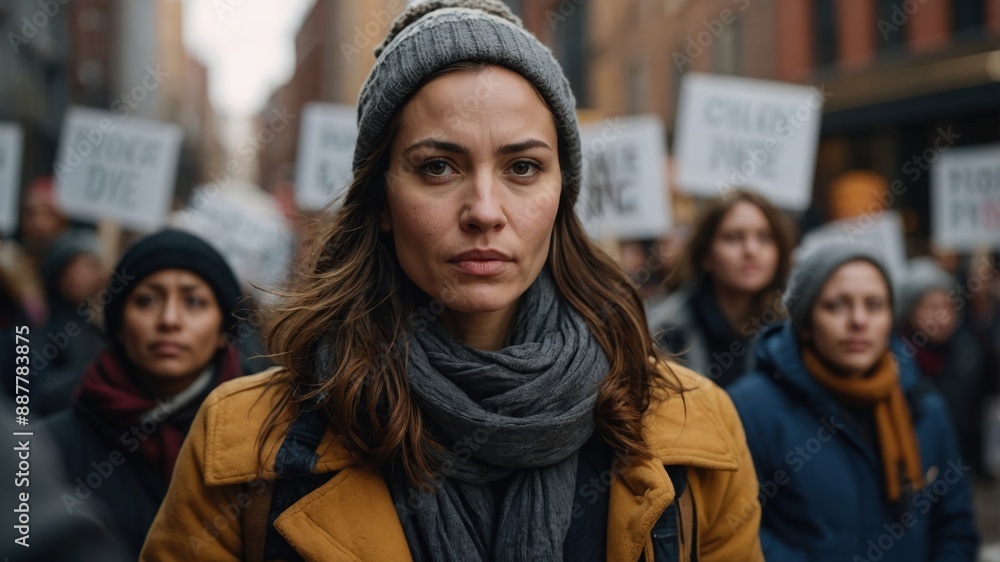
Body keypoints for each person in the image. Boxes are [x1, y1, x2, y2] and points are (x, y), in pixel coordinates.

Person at [141, 2, 764, 560]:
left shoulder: (693, 428)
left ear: (560, 195)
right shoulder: (243, 444)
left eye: (523, 167)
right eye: (438, 167)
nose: (485, 210)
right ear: (380, 198)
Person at [728, 241, 979, 561]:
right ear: (805, 323)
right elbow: (738, 529)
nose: (859, 320)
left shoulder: (925, 409)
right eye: (836, 305)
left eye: (874, 305)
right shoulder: (750, 408)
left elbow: (954, 527)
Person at [45, 229, 246, 557]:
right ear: (120, 325)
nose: (169, 319)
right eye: (147, 300)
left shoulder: (257, 440)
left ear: (224, 330)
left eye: (193, 301)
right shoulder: (47, 446)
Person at [647, 189, 795, 388]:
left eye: (765, 237)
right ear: (706, 254)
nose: (751, 250)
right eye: (733, 237)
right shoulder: (665, 329)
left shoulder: (794, 328)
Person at [896, 257, 992, 476]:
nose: (943, 316)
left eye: (949, 306)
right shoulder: (893, 362)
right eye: (931, 307)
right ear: (909, 311)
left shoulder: (971, 351)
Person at [36, 230, 108, 415]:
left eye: (94, 266)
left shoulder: (97, 323)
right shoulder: (40, 325)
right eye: (82, 267)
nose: (92, 275)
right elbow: (34, 392)